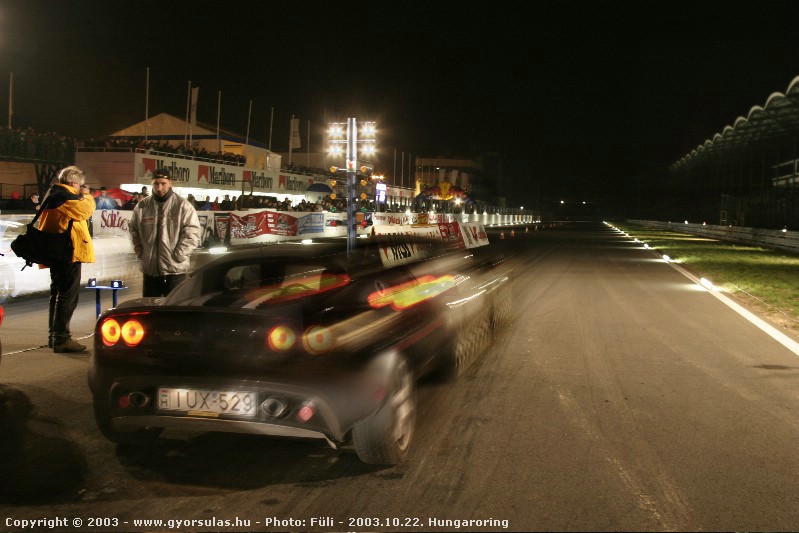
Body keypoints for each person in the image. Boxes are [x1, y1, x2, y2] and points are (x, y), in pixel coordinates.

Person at [38, 166, 96, 353]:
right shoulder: (64, 196)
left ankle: (54, 336)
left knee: (57, 294)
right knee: (67, 296)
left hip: (58, 251)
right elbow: (84, 211)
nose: (80, 188)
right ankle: (61, 338)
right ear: (73, 182)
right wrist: (87, 196)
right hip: (67, 253)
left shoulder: (54, 193)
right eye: (79, 185)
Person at [129, 168, 201, 297]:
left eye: (163, 183)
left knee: (174, 312)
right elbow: (134, 231)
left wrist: (178, 257)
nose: (159, 187)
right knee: (150, 312)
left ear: (170, 183)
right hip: (150, 272)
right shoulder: (142, 206)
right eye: (156, 184)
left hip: (175, 272)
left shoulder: (183, 206)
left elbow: (192, 234)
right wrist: (141, 253)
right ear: (151, 184)